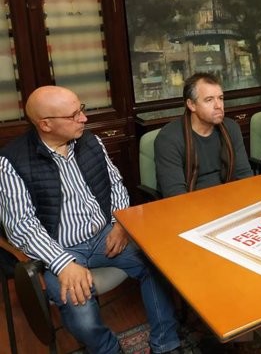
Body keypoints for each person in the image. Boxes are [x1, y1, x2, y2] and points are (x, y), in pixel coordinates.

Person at [0, 86, 182, 354]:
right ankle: (110, 350)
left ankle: (165, 344)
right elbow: (21, 226)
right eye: (74, 115)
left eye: (81, 109)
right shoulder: (10, 162)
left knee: (157, 264)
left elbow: (116, 184)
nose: (84, 119)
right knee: (80, 311)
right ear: (45, 124)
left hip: (104, 235)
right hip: (58, 249)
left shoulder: (90, 141)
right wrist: (64, 265)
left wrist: (121, 224)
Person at [154, 73, 253, 198]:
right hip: (191, 206)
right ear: (191, 105)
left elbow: (244, 176)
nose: (218, 105)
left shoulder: (231, 127)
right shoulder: (169, 138)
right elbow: (176, 195)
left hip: (230, 199)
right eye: (209, 100)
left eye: (221, 98)